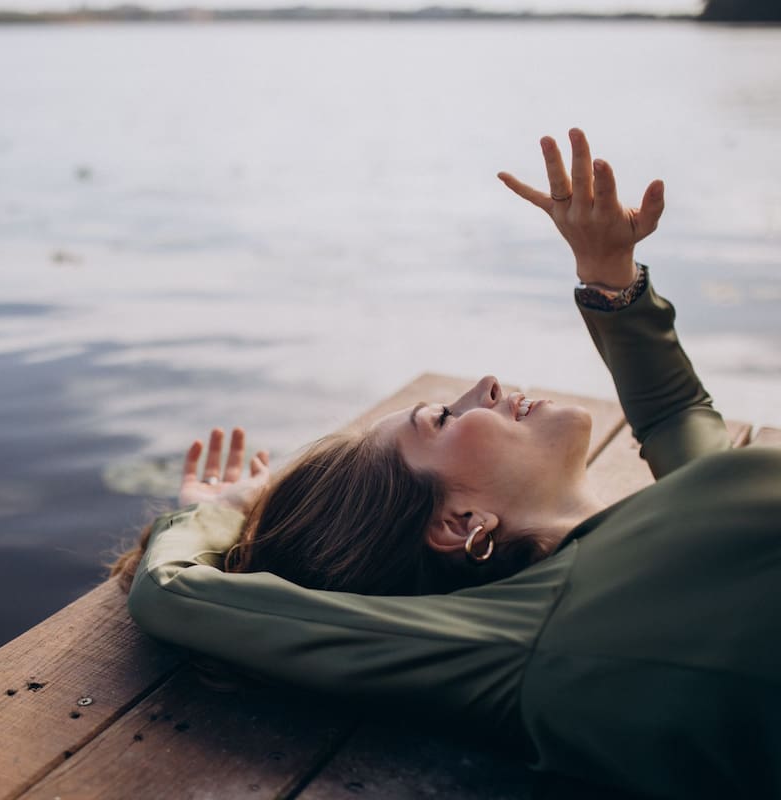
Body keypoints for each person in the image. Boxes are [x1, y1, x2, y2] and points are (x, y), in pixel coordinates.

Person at [111, 129, 781, 799]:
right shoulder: (522, 641)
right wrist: (222, 511)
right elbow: (172, 596)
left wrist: (607, 274)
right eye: (442, 418)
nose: (485, 385)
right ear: (461, 523)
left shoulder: (653, 529)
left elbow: (676, 418)